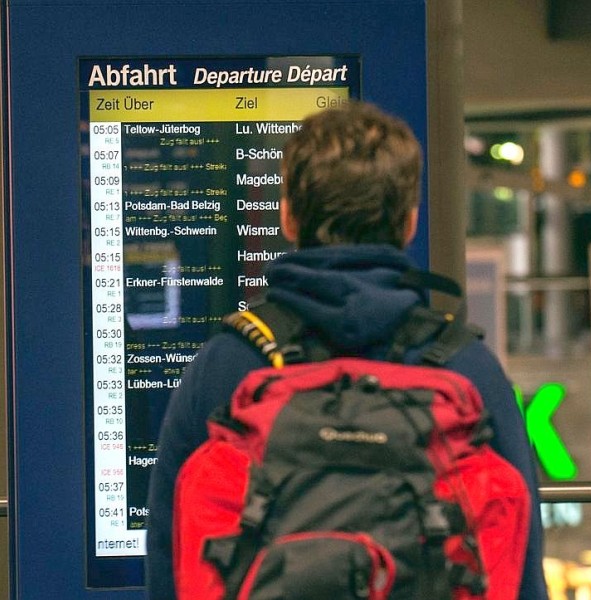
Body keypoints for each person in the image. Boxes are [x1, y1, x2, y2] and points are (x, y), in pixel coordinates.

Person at [146, 101, 549, 599]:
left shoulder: (228, 363)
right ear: (409, 222)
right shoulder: (467, 369)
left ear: (288, 216)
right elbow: (520, 563)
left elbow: (172, 560)